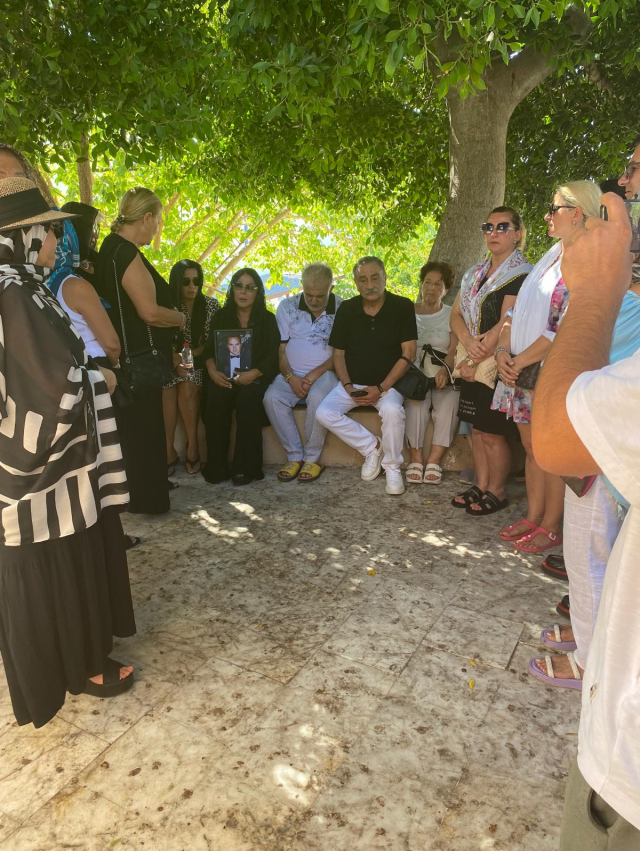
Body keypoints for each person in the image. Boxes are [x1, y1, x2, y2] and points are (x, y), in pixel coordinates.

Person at [0, 177, 136, 727]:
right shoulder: (13, 289)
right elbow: (48, 381)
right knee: (47, 565)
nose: (59, 241)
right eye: (51, 231)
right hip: (37, 474)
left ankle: (75, 662)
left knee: (53, 562)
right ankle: (74, 668)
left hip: (39, 469)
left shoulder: (21, 283)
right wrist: (100, 375)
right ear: (25, 235)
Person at [530, 191, 640, 849]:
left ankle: (589, 659)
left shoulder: (618, 297)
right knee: (587, 561)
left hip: (627, 784)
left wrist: (594, 293)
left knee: (590, 555)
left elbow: (561, 432)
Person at [493, 182, 601, 553]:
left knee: (548, 449)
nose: (547, 216)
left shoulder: (584, 258)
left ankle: (552, 523)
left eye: (554, 208)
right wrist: (504, 351)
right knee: (531, 448)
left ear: (577, 212)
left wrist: (518, 361)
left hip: (547, 372)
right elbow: (517, 310)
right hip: (520, 368)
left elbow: (562, 325)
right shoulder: (553, 254)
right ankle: (534, 515)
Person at [95, 187, 186, 514]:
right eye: (158, 220)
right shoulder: (126, 253)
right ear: (146, 218)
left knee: (131, 434)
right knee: (145, 432)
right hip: (138, 361)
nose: (158, 227)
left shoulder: (108, 248)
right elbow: (148, 311)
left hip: (119, 359)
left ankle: (140, 492)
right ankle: (148, 498)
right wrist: (180, 318)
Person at [449, 207, 532, 515]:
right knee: (477, 430)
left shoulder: (521, 273)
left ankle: (497, 490)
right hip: (472, 354)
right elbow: (455, 314)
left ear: (518, 234)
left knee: (493, 432)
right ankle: (482, 484)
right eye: (489, 227)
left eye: (502, 226)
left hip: (497, 361)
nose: (494, 232)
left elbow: (507, 319)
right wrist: (468, 343)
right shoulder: (474, 273)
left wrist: (480, 350)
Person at [316, 256, 417, 496]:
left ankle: (392, 466)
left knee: (393, 411)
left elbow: (409, 353)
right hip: (354, 383)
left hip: (390, 384)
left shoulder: (402, 306)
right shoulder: (347, 309)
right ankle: (372, 446)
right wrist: (349, 386)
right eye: (363, 279)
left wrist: (381, 388)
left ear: (385, 278)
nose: (370, 284)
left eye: (375, 278)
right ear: (356, 283)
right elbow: (338, 354)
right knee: (324, 412)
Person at [264, 262, 341, 483]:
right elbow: (280, 350)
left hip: (326, 373)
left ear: (331, 288)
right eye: (309, 294)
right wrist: (290, 378)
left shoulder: (342, 309)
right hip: (292, 373)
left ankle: (312, 457)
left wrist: (311, 377)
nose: (314, 300)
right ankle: (295, 456)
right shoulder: (286, 307)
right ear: (301, 286)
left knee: (317, 397)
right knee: (271, 398)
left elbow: (339, 355)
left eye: (320, 296)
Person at [202, 267, 279, 485]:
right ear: (232, 289)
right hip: (223, 377)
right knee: (216, 396)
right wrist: (212, 371)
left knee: (248, 398)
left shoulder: (267, 319)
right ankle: (216, 466)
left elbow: (273, 356)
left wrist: (253, 374)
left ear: (258, 292)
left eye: (250, 287)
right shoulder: (221, 316)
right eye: (239, 286)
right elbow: (208, 352)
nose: (243, 292)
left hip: (255, 379)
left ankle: (245, 467)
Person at [404, 260, 459, 485]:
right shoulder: (407, 311)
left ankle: (434, 460)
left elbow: (453, 348)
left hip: (442, 372)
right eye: (427, 282)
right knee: (415, 404)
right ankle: (416, 457)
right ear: (421, 284)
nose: (431, 288)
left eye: (438, 284)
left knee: (450, 402)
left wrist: (446, 371)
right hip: (413, 372)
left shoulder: (452, 314)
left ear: (446, 290)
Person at [162, 260, 219, 476]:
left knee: (187, 386)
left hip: (202, 364)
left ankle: (192, 446)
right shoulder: (167, 308)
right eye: (186, 281)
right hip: (171, 363)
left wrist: (186, 357)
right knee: (166, 387)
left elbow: (213, 344)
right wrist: (175, 360)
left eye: (196, 281)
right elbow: (161, 341)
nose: (192, 286)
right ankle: (168, 450)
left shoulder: (212, 306)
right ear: (177, 282)